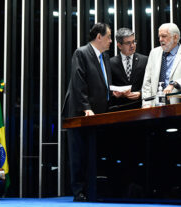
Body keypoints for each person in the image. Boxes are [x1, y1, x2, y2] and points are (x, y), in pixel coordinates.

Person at [62, 22, 112, 202]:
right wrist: (86, 107)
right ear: (99, 36)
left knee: (92, 153)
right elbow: (78, 82)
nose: (111, 41)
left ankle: (92, 189)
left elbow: (102, 83)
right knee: (78, 153)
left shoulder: (105, 57)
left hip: (98, 113)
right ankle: (79, 192)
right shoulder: (81, 53)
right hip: (80, 112)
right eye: (108, 37)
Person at [142, 23, 181, 107]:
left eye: (164, 36)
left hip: (178, 105)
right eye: (159, 37)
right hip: (154, 105)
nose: (160, 39)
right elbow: (147, 82)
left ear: (175, 38)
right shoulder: (154, 53)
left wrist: (174, 84)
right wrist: (146, 104)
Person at [109, 28, 148, 110]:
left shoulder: (145, 60)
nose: (132, 45)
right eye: (128, 43)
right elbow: (106, 86)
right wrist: (113, 93)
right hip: (119, 109)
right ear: (119, 45)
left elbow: (150, 83)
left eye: (133, 42)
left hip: (140, 108)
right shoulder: (110, 63)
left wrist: (140, 93)